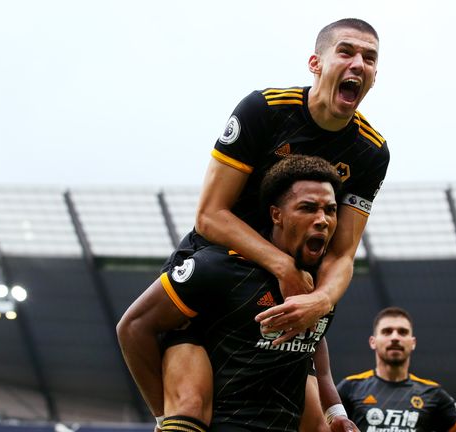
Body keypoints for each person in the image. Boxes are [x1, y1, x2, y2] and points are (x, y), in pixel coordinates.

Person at [118, 17, 389, 429]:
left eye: (369, 58)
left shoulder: (371, 152)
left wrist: (320, 300)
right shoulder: (265, 110)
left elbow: (342, 254)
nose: (358, 64)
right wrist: (282, 266)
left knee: (317, 423)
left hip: (282, 291)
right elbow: (210, 215)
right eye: (346, 52)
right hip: (218, 275)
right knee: (188, 410)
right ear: (316, 63)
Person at [118, 155, 357, 431]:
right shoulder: (219, 267)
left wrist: (335, 414)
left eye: (330, 210)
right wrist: (163, 416)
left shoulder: (324, 285)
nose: (323, 220)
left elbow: (314, 341)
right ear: (276, 215)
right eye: (308, 208)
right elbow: (134, 327)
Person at [336, 307, 456, 432]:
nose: (395, 337)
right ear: (373, 342)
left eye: (403, 332)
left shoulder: (432, 393)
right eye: (387, 332)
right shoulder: (350, 387)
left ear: (413, 343)